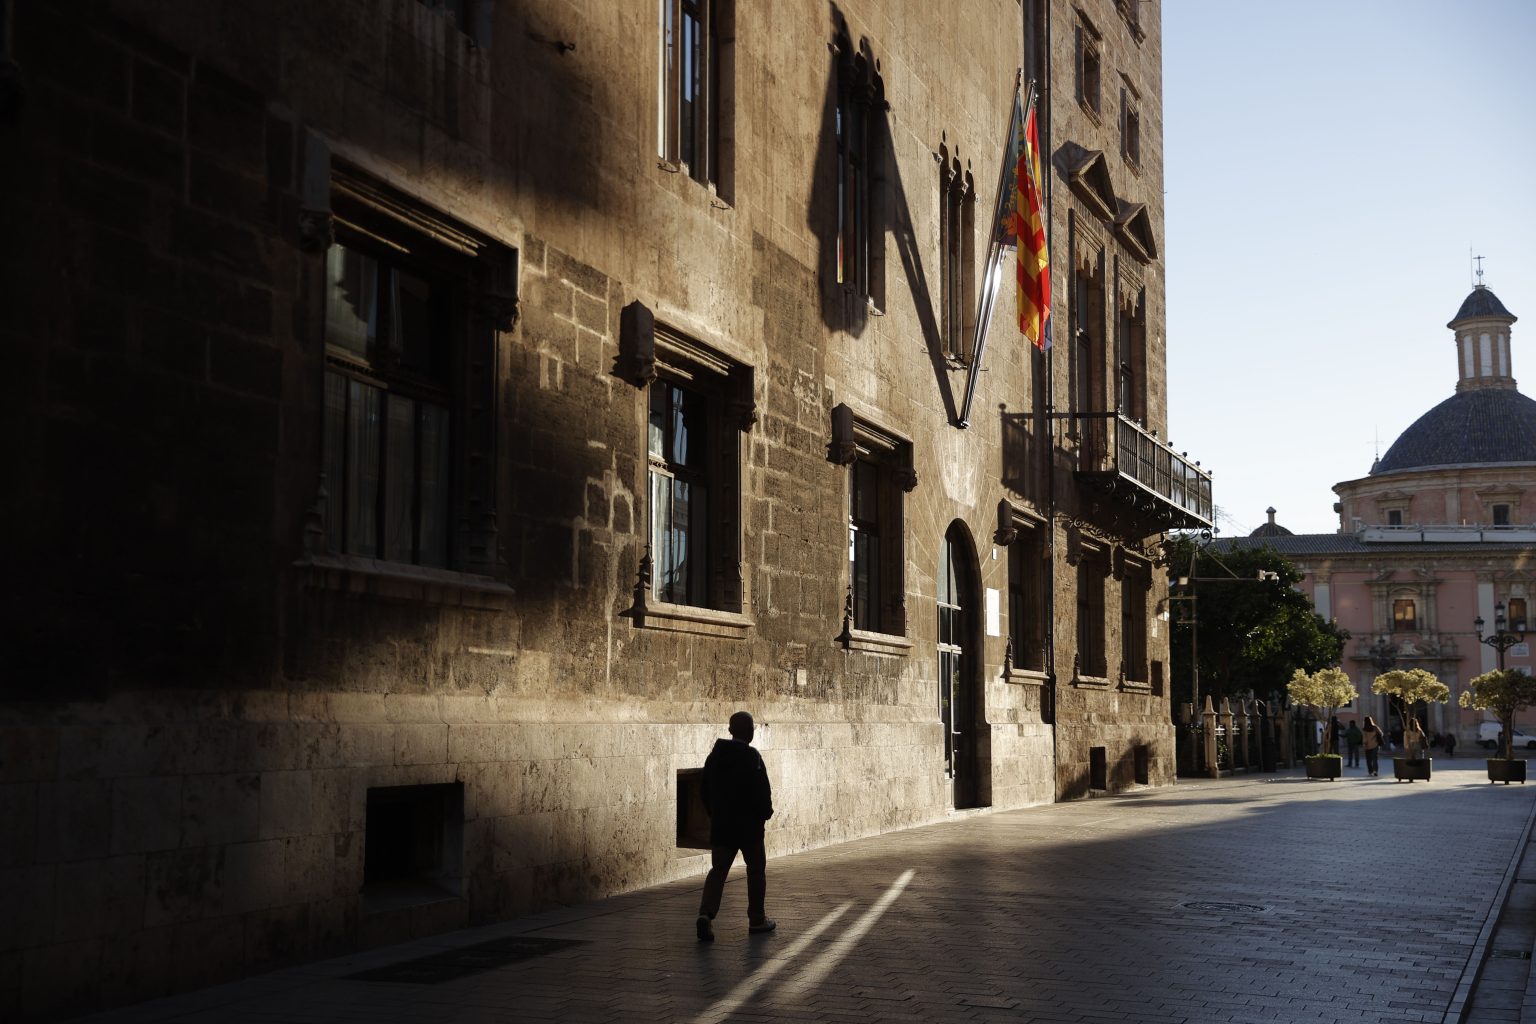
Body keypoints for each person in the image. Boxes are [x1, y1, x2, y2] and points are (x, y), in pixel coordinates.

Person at [696, 711, 776, 941]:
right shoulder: (753, 758)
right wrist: (765, 814)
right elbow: (762, 792)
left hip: (723, 826)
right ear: (749, 732)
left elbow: (704, 790)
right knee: (756, 870)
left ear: (731, 731)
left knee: (718, 871)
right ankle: (757, 919)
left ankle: (706, 914)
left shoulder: (715, 757)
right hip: (749, 828)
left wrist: (715, 815)